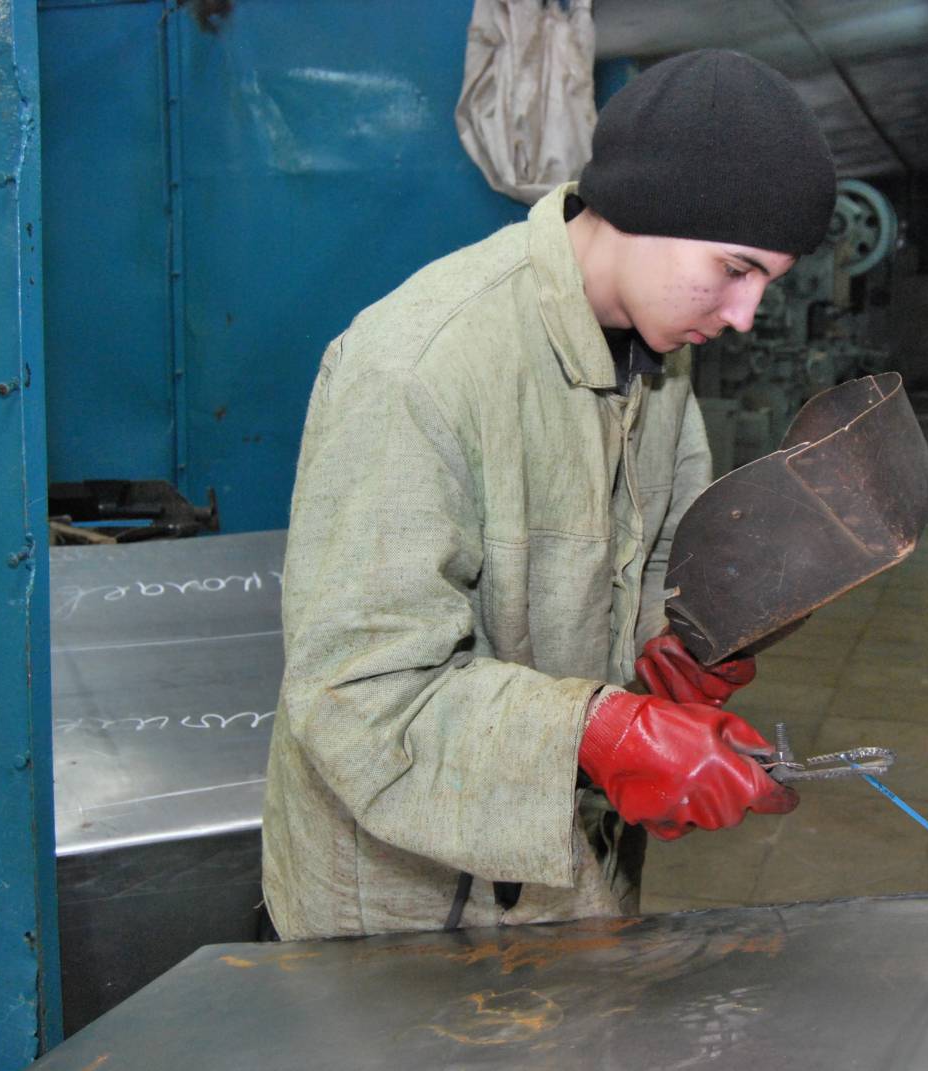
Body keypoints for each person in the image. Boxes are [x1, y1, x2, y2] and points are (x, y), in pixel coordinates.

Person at [261, 49, 837, 939]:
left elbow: (652, 550)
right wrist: (601, 731)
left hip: (564, 882)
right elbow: (356, 695)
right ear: (646, 208)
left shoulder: (658, 360)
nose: (745, 315)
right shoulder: (417, 369)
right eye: (735, 268)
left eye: (770, 281)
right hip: (405, 919)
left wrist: (667, 647)